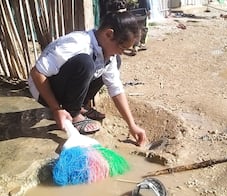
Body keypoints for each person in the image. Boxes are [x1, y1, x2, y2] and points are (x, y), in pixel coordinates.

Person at [28, 11, 147, 146]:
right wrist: (56, 109)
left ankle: (80, 105)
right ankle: (73, 114)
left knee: (110, 62)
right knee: (85, 62)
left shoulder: (107, 52)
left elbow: (115, 88)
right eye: (122, 47)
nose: (121, 52)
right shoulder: (77, 44)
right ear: (109, 34)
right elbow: (37, 73)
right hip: (43, 90)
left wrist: (131, 125)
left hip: (64, 85)